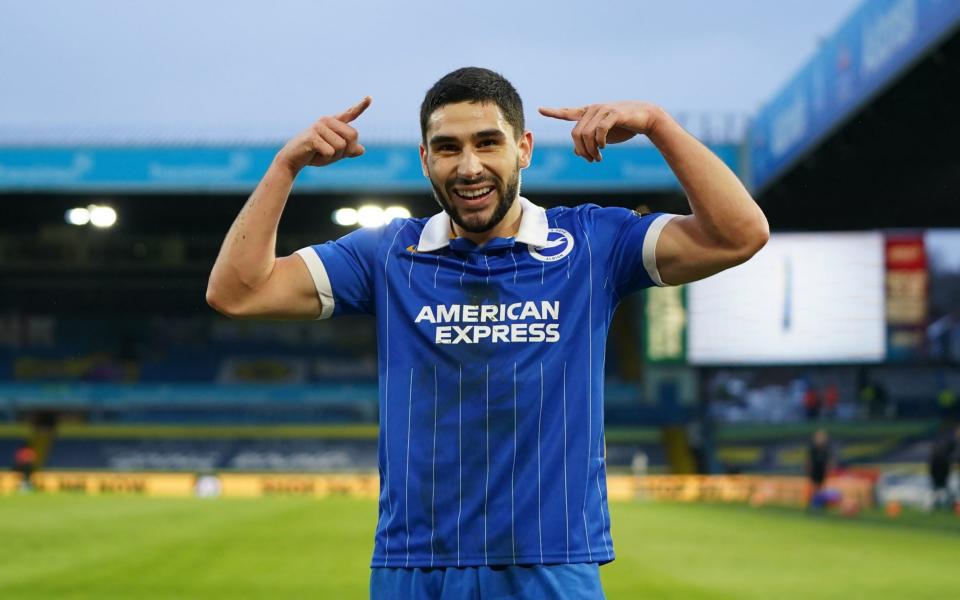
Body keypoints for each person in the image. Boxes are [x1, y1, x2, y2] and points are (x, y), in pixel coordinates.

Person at [206, 67, 769, 599]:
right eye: (448, 148)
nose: (469, 166)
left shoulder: (593, 243)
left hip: (552, 560)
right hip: (415, 563)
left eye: (487, 142)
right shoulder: (387, 253)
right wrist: (286, 165)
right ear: (426, 160)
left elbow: (738, 234)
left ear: (522, 147)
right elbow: (238, 292)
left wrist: (657, 124)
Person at [806, 429, 833, 509]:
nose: (820, 439)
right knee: (814, 486)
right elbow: (809, 460)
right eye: (819, 437)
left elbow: (829, 460)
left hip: (822, 470)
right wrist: (809, 468)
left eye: (822, 437)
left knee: (821, 487)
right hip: (815, 470)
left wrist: (829, 468)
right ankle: (813, 503)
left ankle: (820, 503)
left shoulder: (826, 449)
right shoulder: (813, 448)